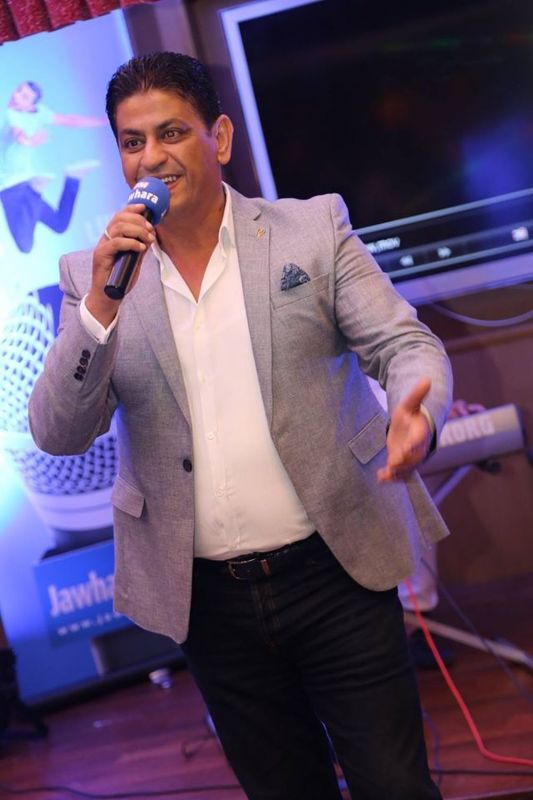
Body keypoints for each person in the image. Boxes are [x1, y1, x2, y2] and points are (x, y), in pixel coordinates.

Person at [28, 52, 453, 800]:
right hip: (208, 601)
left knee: (395, 785)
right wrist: (99, 308)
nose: (151, 158)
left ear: (218, 137)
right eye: (132, 142)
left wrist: (415, 405)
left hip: (336, 568)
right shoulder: (91, 277)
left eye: (171, 133)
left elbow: (403, 345)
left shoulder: (310, 230)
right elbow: (59, 433)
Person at [0, 81, 105, 253]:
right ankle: (73, 179)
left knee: (25, 246)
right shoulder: (23, 114)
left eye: (24, 97)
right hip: (27, 185)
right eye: (18, 91)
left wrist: (102, 120)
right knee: (59, 224)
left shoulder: (16, 114)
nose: (16, 96)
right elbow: (18, 134)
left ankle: (37, 191)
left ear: (32, 105)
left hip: (11, 189)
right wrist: (30, 141)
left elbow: (71, 120)